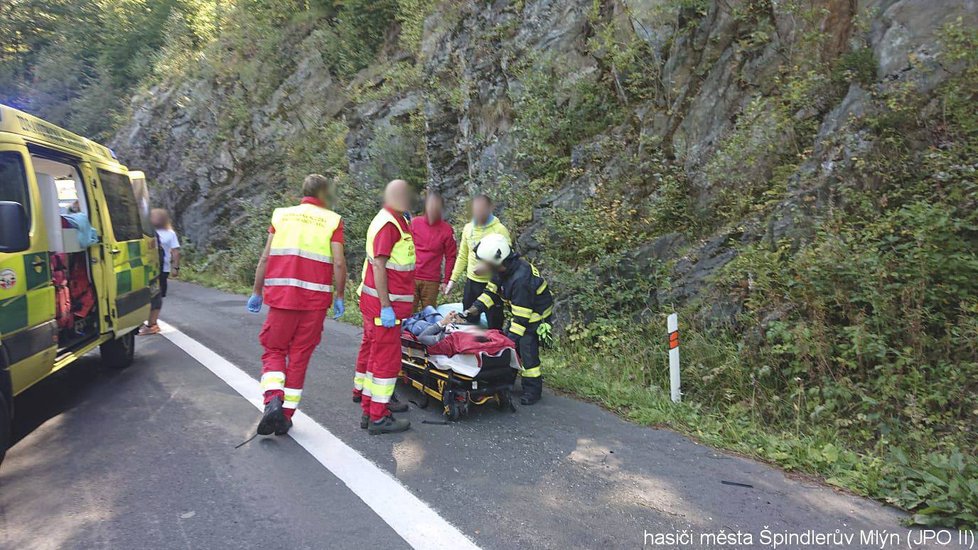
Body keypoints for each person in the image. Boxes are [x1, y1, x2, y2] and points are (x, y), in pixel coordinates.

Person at [246, 174, 347, 436]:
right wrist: (340, 295)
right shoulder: (332, 221)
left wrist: (257, 290)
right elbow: (338, 262)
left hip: (281, 299)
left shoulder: (281, 216)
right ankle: (286, 416)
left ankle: (272, 400)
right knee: (300, 355)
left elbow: (265, 256)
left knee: (274, 349)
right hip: (314, 302)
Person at [355, 179, 415, 435]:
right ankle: (378, 418)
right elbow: (379, 265)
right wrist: (386, 306)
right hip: (384, 308)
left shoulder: (396, 220)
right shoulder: (388, 224)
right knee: (386, 362)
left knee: (377, 358)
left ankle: (371, 409)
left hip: (385, 306)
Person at [463, 233, 553, 405]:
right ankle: (506, 381)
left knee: (527, 354)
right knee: (510, 348)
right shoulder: (503, 269)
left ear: (496, 261)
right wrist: (473, 310)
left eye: (485, 262)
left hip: (535, 317)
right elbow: (490, 293)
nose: (482, 266)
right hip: (522, 312)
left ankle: (533, 391)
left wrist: (508, 341)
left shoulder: (521, 279)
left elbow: (521, 319)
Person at [446, 194, 510, 328]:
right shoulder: (468, 228)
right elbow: (463, 256)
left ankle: (496, 345)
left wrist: (487, 267)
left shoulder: (499, 230)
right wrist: (453, 280)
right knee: (470, 321)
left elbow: (506, 258)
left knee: (494, 324)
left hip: (492, 284)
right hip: (472, 283)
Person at [410, 191, 457, 311]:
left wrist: (446, 280)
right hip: (411, 276)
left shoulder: (447, 230)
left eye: (436, 207)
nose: (433, 209)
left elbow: (451, 257)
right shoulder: (415, 223)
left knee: (429, 315)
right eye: (430, 206)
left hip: (432, 280)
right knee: (408, 314)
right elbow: (404, 247)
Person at [139, 209, 180, 335]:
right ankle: (145, 322)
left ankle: (153, 324)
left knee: (156, 294)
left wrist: (175, 267)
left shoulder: (170, 233)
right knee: (146, 295)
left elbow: (175, 251)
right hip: (147, 268)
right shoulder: (146, 232)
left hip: (162, 268)